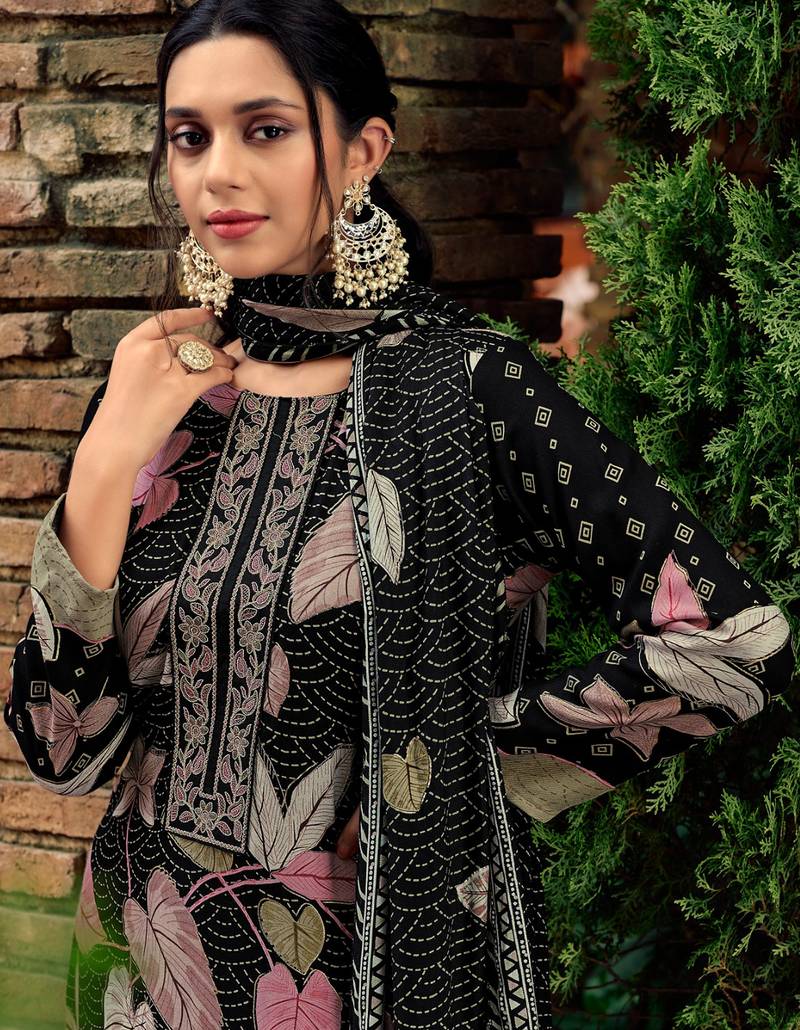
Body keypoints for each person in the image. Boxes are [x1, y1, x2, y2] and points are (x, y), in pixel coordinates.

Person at [4, 1, 795, 1028]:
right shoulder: (156, 394)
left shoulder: (473, 388)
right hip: (130, 964)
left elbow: (734, 641)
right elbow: (62, 752)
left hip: (362, 972)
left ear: (363, 150)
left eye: (266, 129)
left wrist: (462, 773)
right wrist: (107, 461)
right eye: (189, 137)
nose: (217, 174)